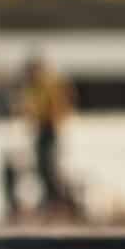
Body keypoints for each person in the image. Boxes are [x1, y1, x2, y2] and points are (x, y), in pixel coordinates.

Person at [19, 52, 77, 215]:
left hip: (48, 127)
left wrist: (52, 119)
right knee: (42, 166)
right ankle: (51, 199)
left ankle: (55, 201)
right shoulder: (35, 86)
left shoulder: (48, 84)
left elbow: (58, 106)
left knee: (47, 165)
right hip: (42, 128)